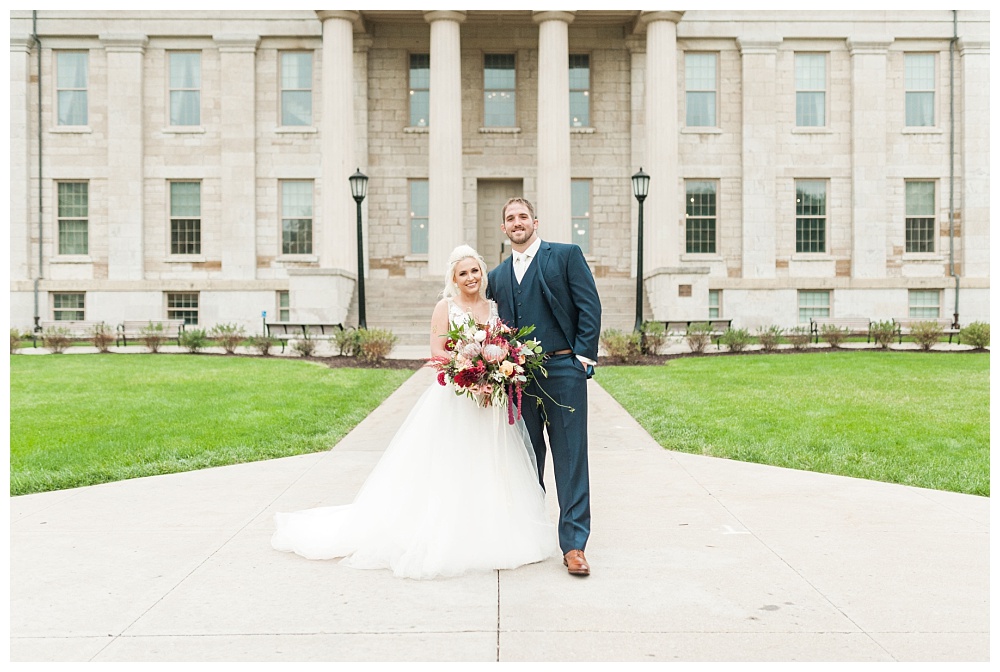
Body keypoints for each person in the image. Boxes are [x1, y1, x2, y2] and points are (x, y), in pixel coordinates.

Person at [271, 245, 558, 579]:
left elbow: (503, 345)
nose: (470, 277)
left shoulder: (494, 307)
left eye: (475, 271)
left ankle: (490, 528)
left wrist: (494, 371)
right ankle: (446, 531)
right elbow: (436, 351)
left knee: (489, 461)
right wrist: (470, 369)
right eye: (463, 273)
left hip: (489, 401)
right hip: (457, 396)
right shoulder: (445, 307)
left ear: (483, 272)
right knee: (452, 464)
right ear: (454, 277)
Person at [486, 197, 602, 577]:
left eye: (522, 216)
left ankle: (573, 546)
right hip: (519, 377)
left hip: (564, 369)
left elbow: (589, 306)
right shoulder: (499, 275)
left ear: (535, 221)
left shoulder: (565, 255)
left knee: (570, 460)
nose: (517, 223)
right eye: (510, 219)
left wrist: (582, 359)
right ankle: (532, 536)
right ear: (503, 229)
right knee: (527, 460)